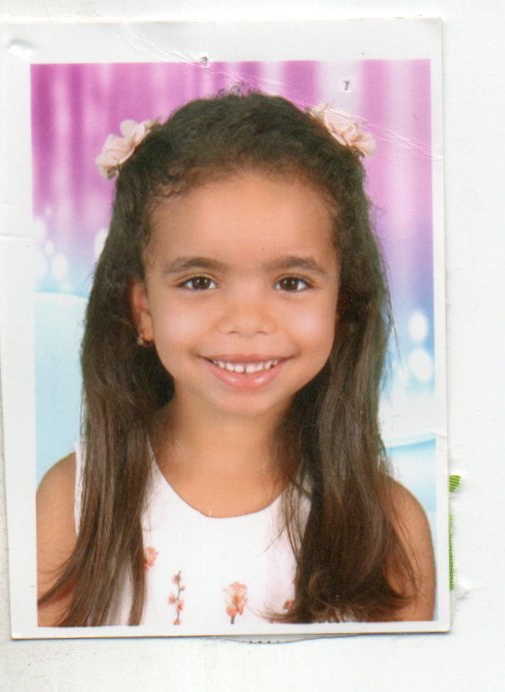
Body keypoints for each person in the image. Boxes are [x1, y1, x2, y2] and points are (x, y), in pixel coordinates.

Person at [36, 91, 435, 628]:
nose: (247, 322)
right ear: (143, 309)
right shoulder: (74, 503)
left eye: (291, 282)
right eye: (199, 281)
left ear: (341, 307)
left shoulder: (390, 529)